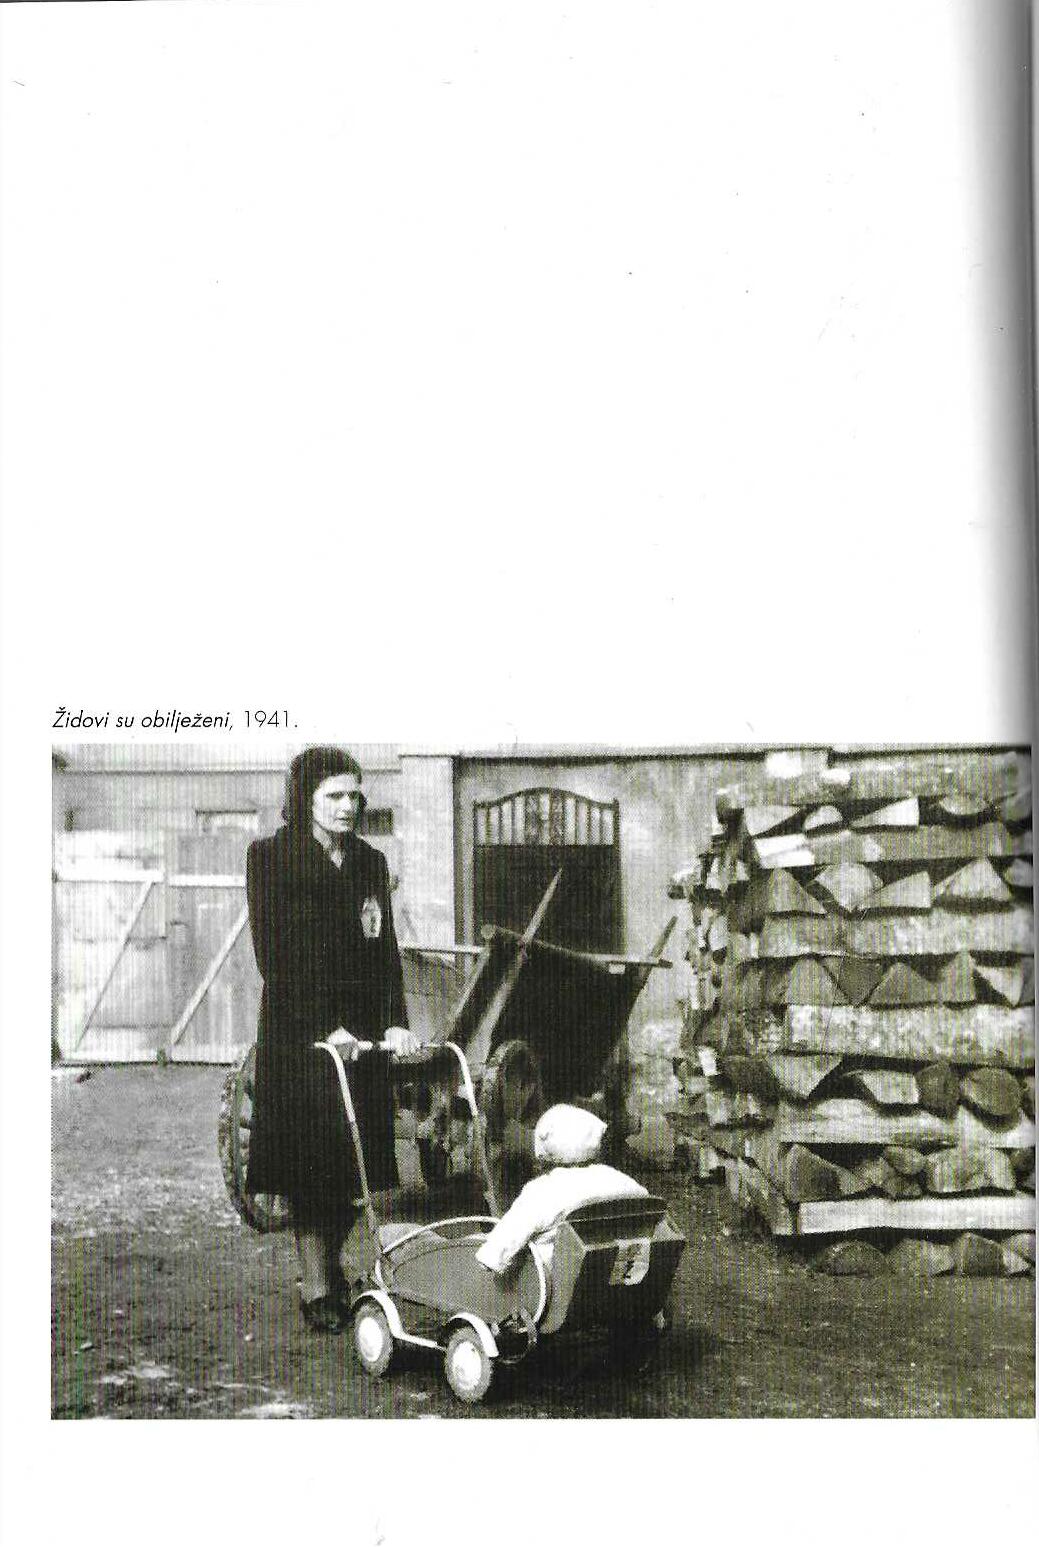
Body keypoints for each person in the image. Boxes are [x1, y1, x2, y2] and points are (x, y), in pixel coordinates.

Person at [245, 746, 419, 1331]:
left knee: (359, 1161)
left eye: (354, 795)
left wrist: (394, 1021)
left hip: (363, 1033)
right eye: (334, 796)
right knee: (311, 1163)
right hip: (300, 1032)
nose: (348, 806)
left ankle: (334, 1267)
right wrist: (325, 1026)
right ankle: (317, 1281)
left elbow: (384, 950)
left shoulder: (370, 861)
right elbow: (273, 955)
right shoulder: (270, 857)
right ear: (305, 798)